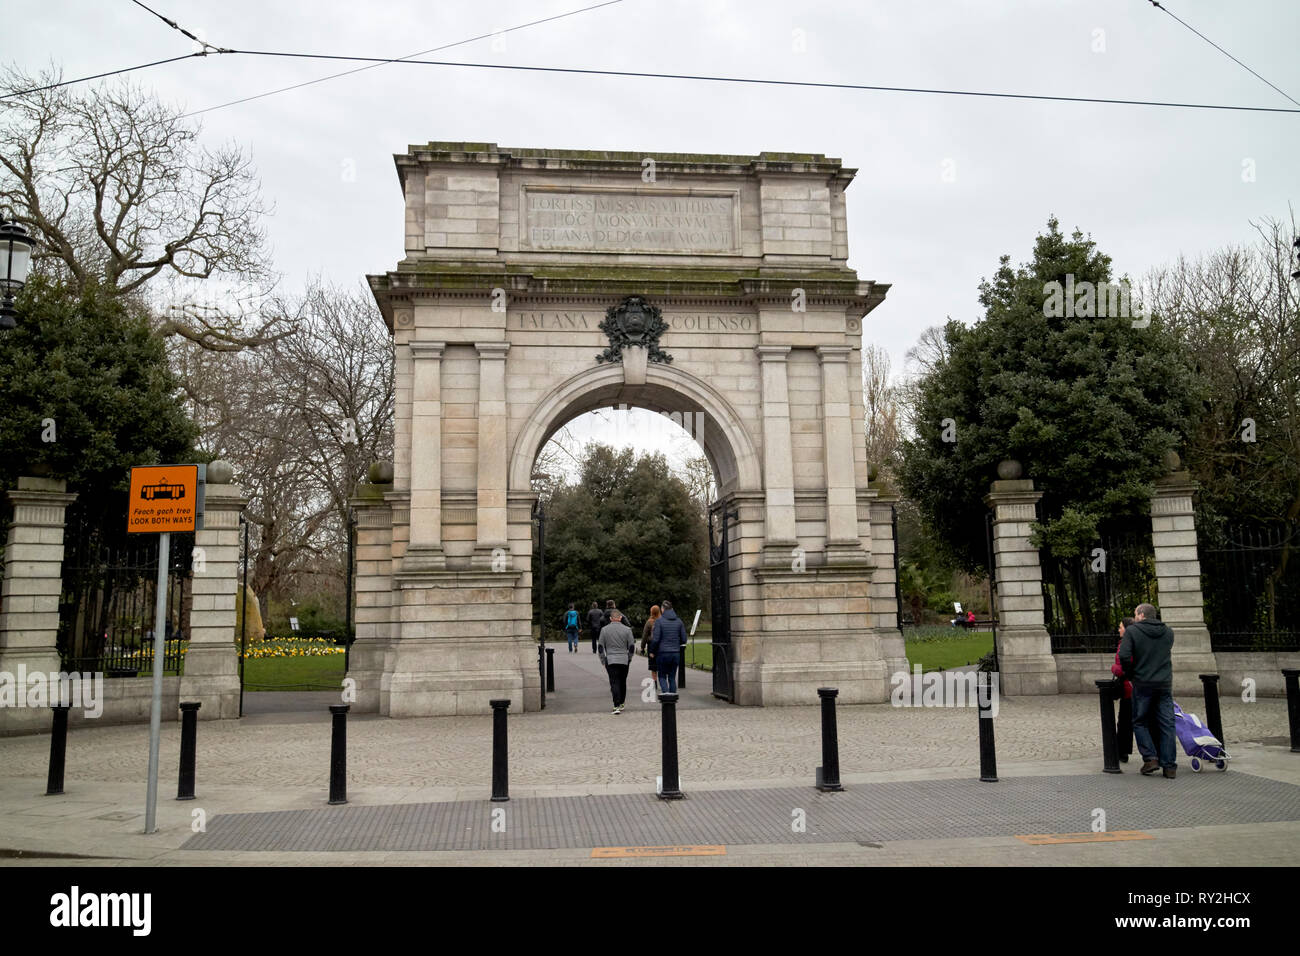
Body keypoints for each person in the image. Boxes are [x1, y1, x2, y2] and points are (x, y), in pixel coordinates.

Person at [1118, 602, 1177, 778]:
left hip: (1143, 682)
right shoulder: (1168, 632)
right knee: (1167, 723)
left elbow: (1124, 655)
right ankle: (1170, 766)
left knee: (1140, 721)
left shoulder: (1133, 631)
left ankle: (1150, 758)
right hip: (1164, 683)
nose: (1134, 617)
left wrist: (1131, 674)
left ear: (1142, 615)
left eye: (1136, 614)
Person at [598, 609, 636, 714]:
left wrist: (603, 659)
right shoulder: (627, 630)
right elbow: (631, 646)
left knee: (614, 682)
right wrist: (629, 658)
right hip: (624, 659)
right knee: (622, 681)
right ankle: (622, 702)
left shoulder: (604, 630)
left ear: (610, 619)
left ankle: (616, 705)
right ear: (620, 618)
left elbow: (601, 646)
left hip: (610, 660)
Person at [1110, 617, 1137, 762]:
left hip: (1129, 688)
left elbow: (1122, 668)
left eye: (1120, 627)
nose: (1119, 629)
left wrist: (1113, 668)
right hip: (1136, 687)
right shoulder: (1137, 642)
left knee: (1125, 721)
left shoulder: (1125, 644)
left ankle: (1122, 752)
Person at [650, 599, 687, 695]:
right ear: (672, 609)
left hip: (662, 653)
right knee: (672, 677)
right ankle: (672, 700)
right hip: (675, 653)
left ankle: (666, 698)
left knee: (662, 676)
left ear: (662, 609)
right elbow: (684, 639)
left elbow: (656, 639)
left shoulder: (659, 622)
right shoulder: (679, 621)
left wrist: (652, 651)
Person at [641, 605, 662, 682]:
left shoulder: (649, 622)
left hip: (652, 645)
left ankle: (655, 681)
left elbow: (644, 636)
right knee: (661, 664)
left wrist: (642, 647)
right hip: (661, 646)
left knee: (653, 666)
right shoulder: (662, 621)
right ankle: (662, 681)